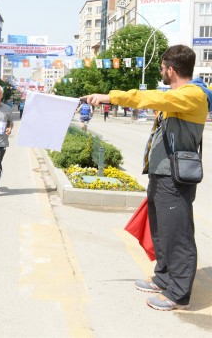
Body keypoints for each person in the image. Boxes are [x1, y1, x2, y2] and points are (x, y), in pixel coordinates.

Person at [85, 45, 210, 311]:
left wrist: (108, 96)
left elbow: (149, 98)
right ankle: (163, 276)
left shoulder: (193, 95)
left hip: (175, 178)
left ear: (171, 69)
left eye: (162, 68)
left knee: (178, 235)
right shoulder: (178, 96)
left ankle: (178, 293)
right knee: (162, 231)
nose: (161, 73)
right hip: (162, 174)